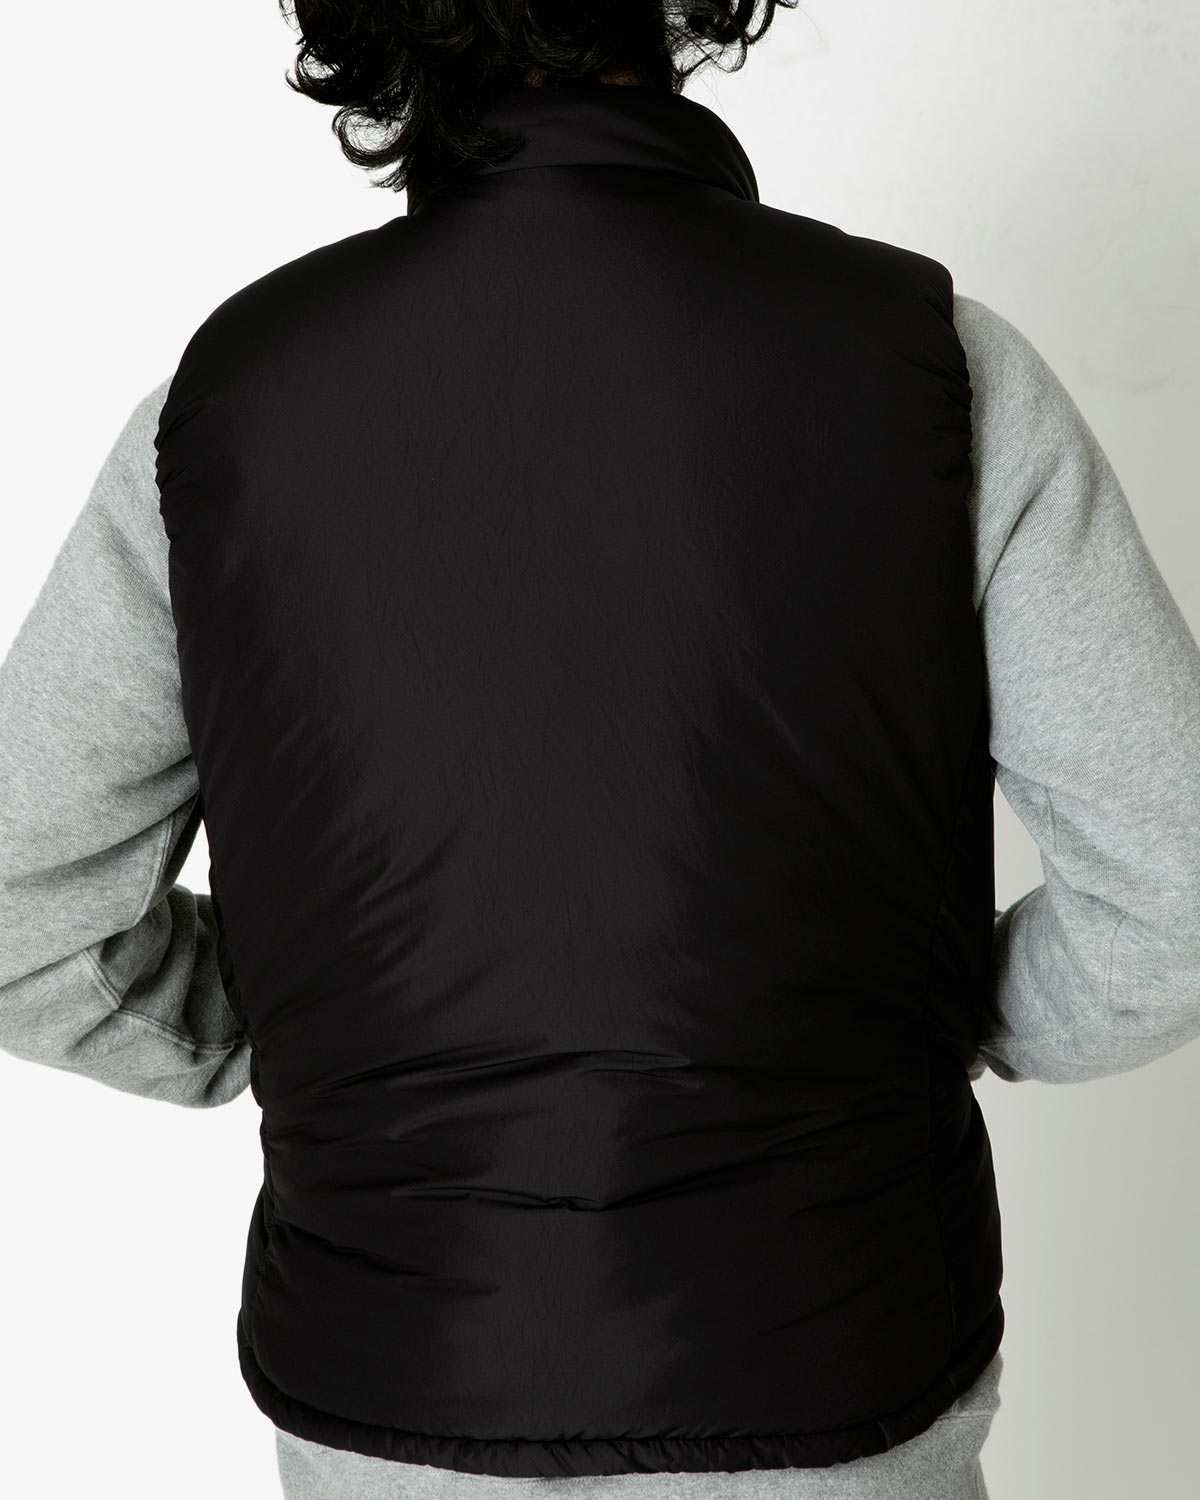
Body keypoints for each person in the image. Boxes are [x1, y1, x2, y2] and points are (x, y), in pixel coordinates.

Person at [4, 4, 1200, 1499]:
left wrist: (335, 1035)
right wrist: (910, 1021)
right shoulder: (935, 365)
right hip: (832, 1372)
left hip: (391, 1388)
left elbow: (23, 909)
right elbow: (1176, 898)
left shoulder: (223, 405)